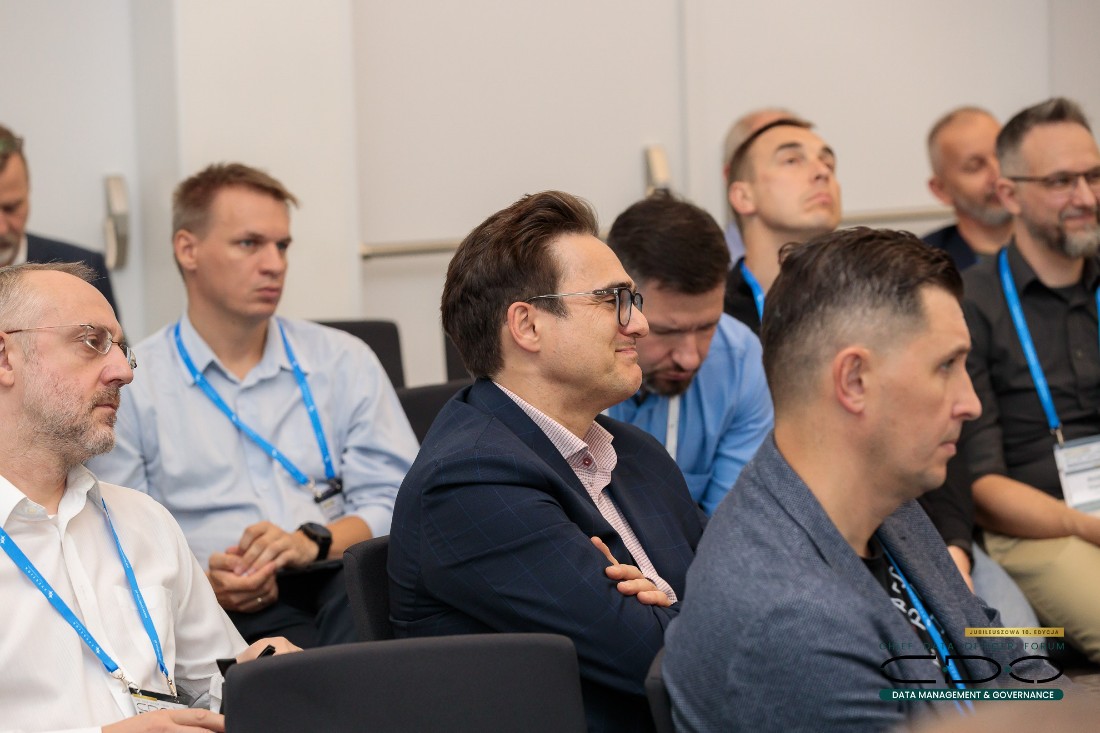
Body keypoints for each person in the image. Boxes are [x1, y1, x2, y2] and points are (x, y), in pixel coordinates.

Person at [663, 227, 1059, 733]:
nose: (971, 403)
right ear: (854, 381)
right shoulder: (790, 618)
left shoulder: (887, 504)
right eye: (946, 366)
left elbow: (1008, 661)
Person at [388, 190, 705, 733]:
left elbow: (737, 597)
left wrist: (670, 608)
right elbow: (660, 662)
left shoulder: (635, 452)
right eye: (613, 300)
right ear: (528, 325)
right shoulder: (472, 480)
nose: (640, 326)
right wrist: (686, 611)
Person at [88, 163, 418, 648]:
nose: (274, 263)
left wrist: (314, 540)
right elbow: (120, 538)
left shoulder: (343, 360)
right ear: (188, 249)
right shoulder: (131, 381)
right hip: (216, 604)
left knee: (376, 610)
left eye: (282, 246)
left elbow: (399, 500)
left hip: (338, 578)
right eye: (250, 244)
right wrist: (202, 582)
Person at [0, 262, 296, 733]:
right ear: (5, 357)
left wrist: (266, 676)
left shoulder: (142, 520)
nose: (122, 371)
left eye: (121, 350)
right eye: (92, 342)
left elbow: (213, 685)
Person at [959, 97, 1100, 663]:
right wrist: (1088, 527)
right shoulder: (970, 302)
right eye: (1062, 181)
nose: (1087, 198)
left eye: (1094, 176)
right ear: (1009, 193)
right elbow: (983, 487)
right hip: (1039, 525)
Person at [605, 194, 772, 515]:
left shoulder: (740, 360)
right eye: (667, 331)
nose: (691, 358)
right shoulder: (566, 366)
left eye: (708, 326)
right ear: (616, 303)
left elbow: (732, 527)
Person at [723, 116, 841, 333]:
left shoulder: (863, 302)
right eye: (792, 160)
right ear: (743, 197)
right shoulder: (715, 317)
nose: (823, 172)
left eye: (829, 164)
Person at [0, 124, 119, 313]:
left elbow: (115, 342)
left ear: (28, 190)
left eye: (11, 208)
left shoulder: (85, 269)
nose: (2, 229)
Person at [924, 107, 1013, 269]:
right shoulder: (922, 266)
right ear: (941, 190)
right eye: (975, 166)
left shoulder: (1055, 244)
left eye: (1002, 156)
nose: (998, 175)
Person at [720, 107, 803, 262]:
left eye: (826, 161)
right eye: (791, 160)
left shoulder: (845, 268)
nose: (821, 172)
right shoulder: (706, 275)